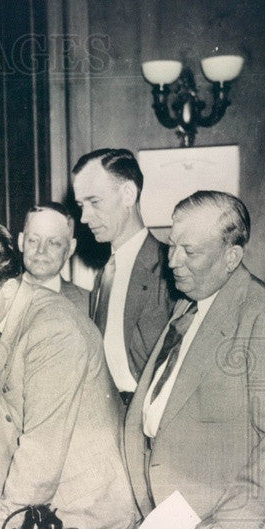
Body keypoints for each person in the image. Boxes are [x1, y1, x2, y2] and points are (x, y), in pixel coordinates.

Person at [124, 191, 265, 529]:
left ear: (232, 256)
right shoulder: (188, 307)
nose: (173, 261)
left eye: (190, 252)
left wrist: (235, 516)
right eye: (171, 246)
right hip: (181, 525)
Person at [0, 222, 137, 529]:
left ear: (7, 287)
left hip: (83, 522)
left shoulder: (52, 330)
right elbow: (5, 435)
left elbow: (39, 454)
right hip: (44, 515)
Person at [71, 148, 175, 403]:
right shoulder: (104, 273)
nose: (84, 217)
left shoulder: (170, 268)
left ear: (128, 193)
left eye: (94, 202)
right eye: (80, 206)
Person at [16, 202, 90, 314]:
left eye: (53, 243)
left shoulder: (88, 304)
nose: (41, 250)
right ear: (21, 242)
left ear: (70, 248)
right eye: (33, 240)